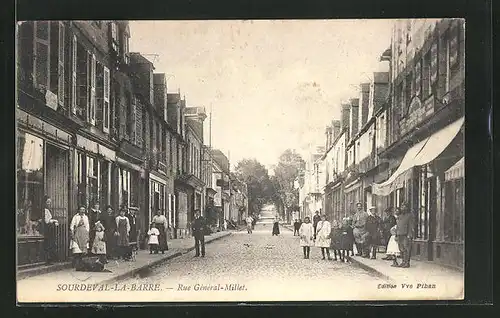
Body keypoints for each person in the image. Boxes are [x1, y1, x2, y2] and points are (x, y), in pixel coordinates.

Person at [395, 203, 415, 268]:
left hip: (406, 235)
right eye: (402, 206)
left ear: (407, 208)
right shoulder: (399, 216)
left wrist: (410, 234)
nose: (402, 208)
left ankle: (407, 262)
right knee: (401, 249)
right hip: (399, 234)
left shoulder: (409, 215)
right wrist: (396, 235)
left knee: (407, 249)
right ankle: (403, 261)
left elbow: (411, 226)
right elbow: (397, 226)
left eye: (404, 207)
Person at [42, 196, 59, 264]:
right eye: (47, 202)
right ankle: (48, 260)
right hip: (47, 229)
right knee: (48, 243)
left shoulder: (47, 210)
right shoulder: (45, 210)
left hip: (49, 229)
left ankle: (50, 259)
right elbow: (47, 221)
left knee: (50, 243)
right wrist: (54, 220)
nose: (49, 204)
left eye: (50, 202)